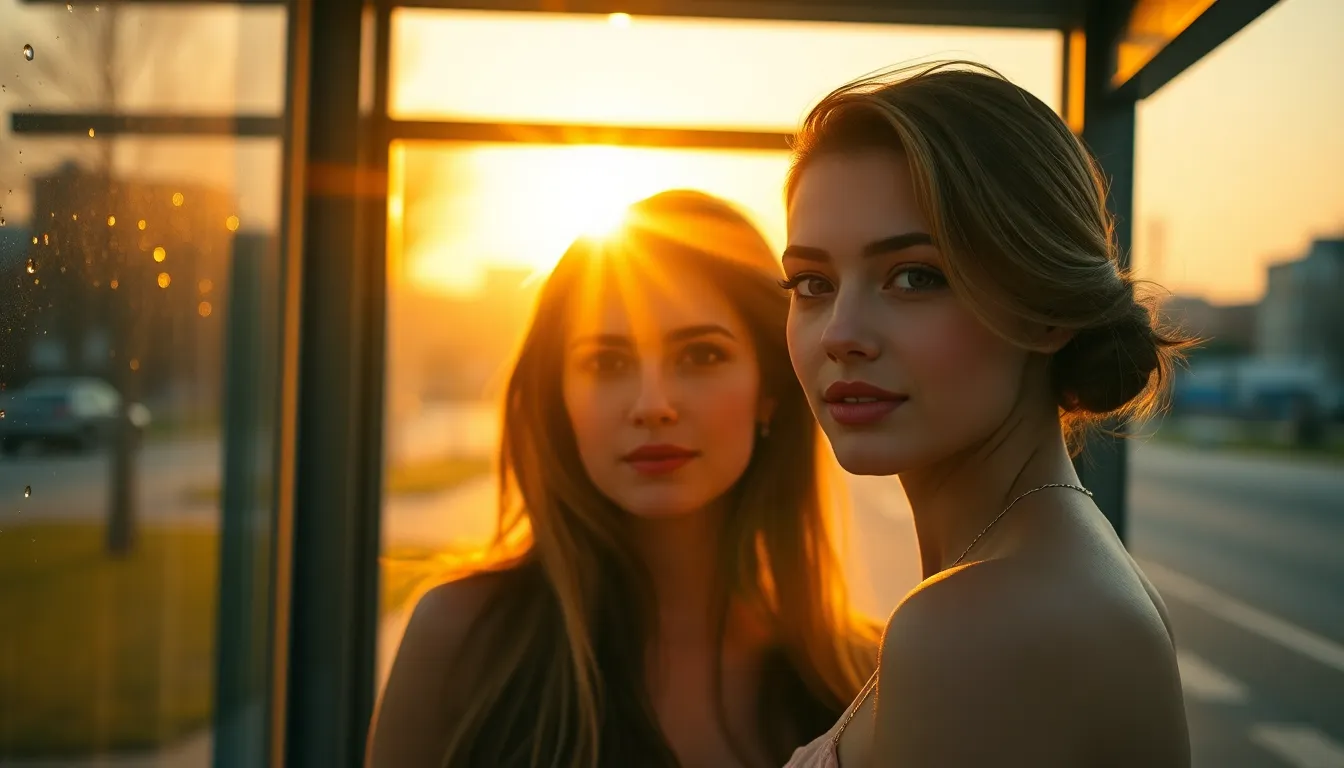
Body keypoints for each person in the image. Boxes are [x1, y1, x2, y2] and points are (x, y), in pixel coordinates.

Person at [367, 190, 877, 768]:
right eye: (607, 363)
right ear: (560, 400)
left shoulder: (864, 678)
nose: (652, 404)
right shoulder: (460, 640)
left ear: (771, 390)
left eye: (701, 356)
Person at [779, 62, 1193, 767]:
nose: (838, 333)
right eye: (812, 283)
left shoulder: (983, 625)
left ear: (1044, 309)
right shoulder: (1041, 571)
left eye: (915, 276)